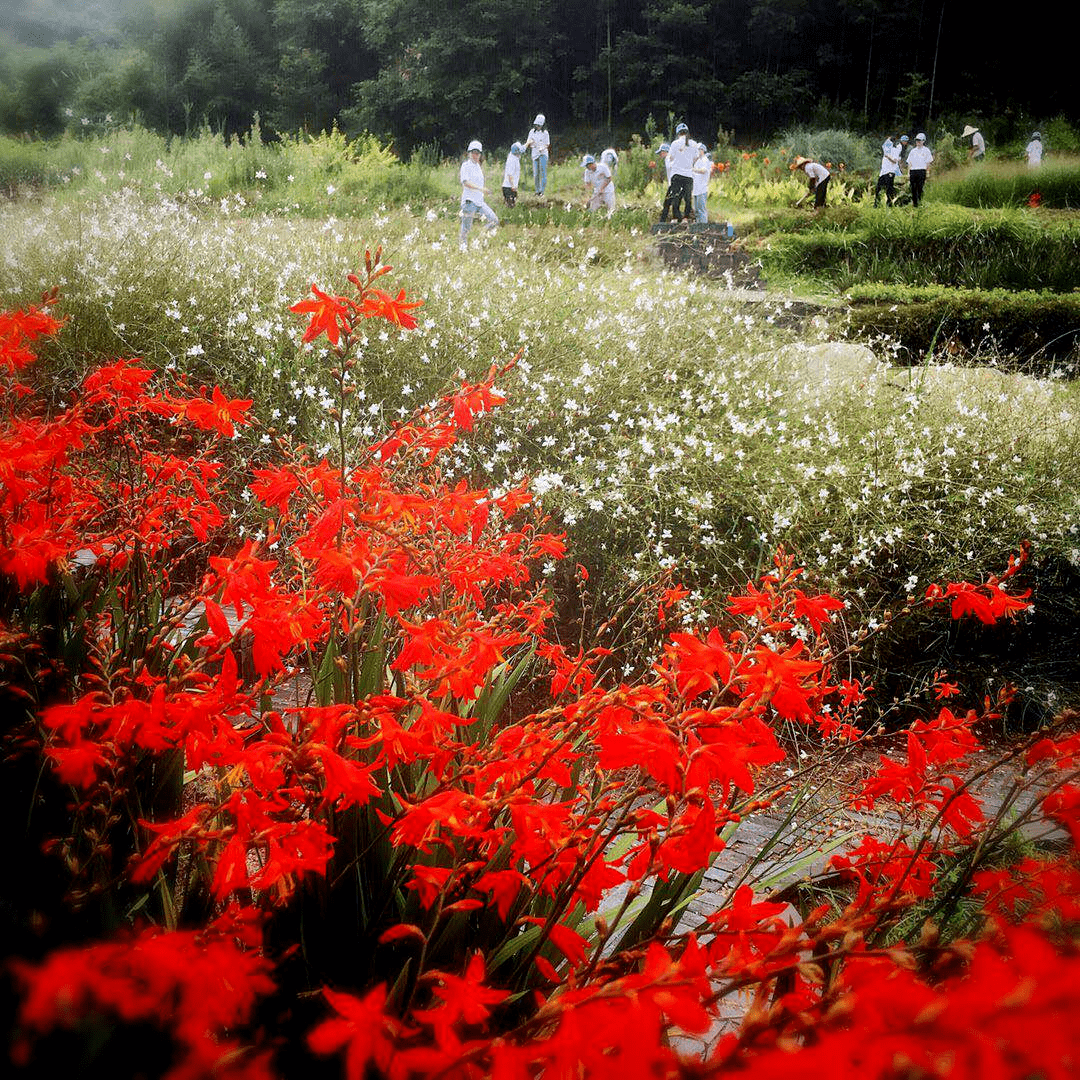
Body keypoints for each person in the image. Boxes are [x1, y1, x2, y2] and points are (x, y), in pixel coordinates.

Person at [459, 139, 498, 246]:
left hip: (479, 201)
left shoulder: (478, 167)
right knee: (466, 228)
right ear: (469, 153)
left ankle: (478, 237)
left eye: (478, 153)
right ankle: (463, 248)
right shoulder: (466, 165)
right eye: (473, 153)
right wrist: (481, 189)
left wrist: (484, 191)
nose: (476, 155)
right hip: (469, 201)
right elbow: (465, 182)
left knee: (494, 220)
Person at [661, 123, 695, 222]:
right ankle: (686, 217)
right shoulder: (693, 144)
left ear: (678, 133)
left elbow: (671, 157)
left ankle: (676, 217)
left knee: (676, 196)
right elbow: (695, 157)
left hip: (677, 173)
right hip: (688, 174)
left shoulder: (675, 143)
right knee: (687, 197)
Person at [524, 113, 550, 196]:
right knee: (536, 173)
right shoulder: (532, 132)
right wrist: (531, 144)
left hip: (543, 154)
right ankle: (537, 190)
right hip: (535, 154)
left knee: (543, 172)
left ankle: (542, 191)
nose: (538, 127)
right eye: (537, 125)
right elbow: (528, 142)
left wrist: (542, 148)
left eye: (539, 125)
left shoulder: (545, 133)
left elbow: (547, 144)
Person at [905, 132, 933, 207]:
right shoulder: (913, 151)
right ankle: (914, 204)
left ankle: (919, 201)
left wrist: (927, 172)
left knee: (920, 187)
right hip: (913, 171)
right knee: (913, 188)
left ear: (923, 141)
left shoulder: (926, 150)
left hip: (921, 170)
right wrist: (908, 173)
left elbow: (928, 162)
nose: (918, 142)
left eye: (919, 140)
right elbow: (909, 163)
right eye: (917, 140)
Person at [874, 134, 901, 207]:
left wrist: (888, 156)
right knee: (878, 188)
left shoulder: (894, 150)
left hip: (890, 172)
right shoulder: (886, 149)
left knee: (889, 188)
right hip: (883, 172)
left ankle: (889, 204)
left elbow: (895, 160)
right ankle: (876, 204)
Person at [691, 143, 711, 223]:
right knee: (696, 210)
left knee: (701, 210)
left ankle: (703, 226)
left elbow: (703, 170)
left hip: (702, 189)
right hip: (696, 189)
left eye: (698, 150)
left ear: (702, 150)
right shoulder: (697, 161)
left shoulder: (705, 160)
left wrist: (693, 169)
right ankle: (698, 226)